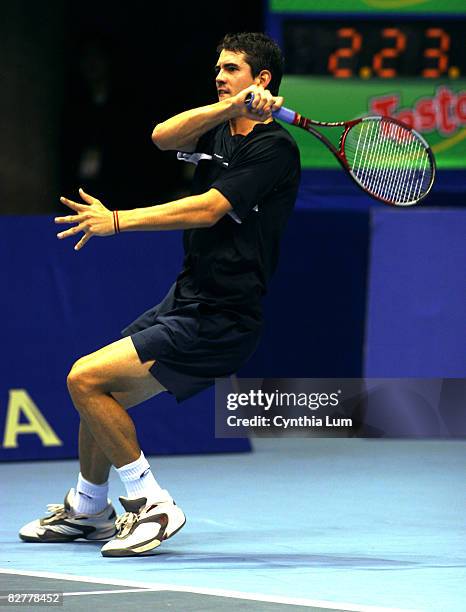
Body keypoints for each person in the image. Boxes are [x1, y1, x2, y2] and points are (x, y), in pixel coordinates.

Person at [19, 32, 301, 558]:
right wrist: (229, 106)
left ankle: (152, 502)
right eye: (217, 67)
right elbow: (162, 137)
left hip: (224, 313)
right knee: (99, 398)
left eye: (232, 69)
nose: (219, 76)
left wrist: (118, 221)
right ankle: (88, 510)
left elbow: (208, 209)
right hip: (188, 296)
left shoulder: (274, 150)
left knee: (84, 377)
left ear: (262, 79)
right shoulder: (220, 129)